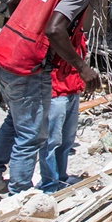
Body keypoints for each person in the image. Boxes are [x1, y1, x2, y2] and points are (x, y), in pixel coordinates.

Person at [0, 0, 107, 196]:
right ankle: (19, 199)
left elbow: (14, 1)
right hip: (27, 66)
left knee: (15, 121)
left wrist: (24, 29)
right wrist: (82, 68)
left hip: (3, 53)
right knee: (32, 135)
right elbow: (55, 29)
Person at [37, 15, 86, 193]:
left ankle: (61, 178)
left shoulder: (76, 27)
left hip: (72, 88)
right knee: (51, 142)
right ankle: (50, 186)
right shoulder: (55, 29)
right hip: (55, 90)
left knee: (66, 141)